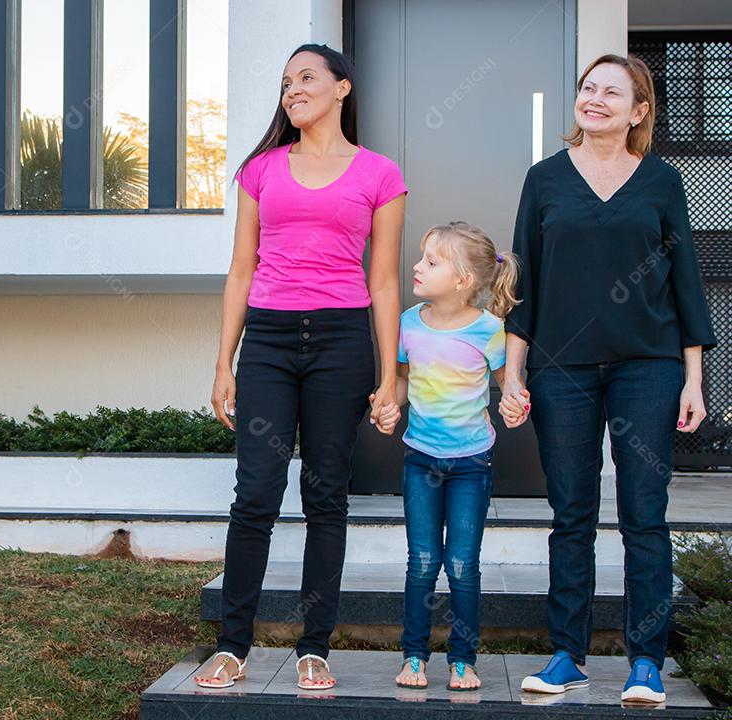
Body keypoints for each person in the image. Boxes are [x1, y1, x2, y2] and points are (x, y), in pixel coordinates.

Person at [498, 54, 717, 705]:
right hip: (560, 371)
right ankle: (567, 654)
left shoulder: (662, 181)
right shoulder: (544, 181)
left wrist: (693, 379)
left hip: (647, 366)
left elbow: (687, 286)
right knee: (571, 514)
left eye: (611, 92)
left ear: (639, 111)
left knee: (645, 515)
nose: (594, 99)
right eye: (588, 88)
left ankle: (645, 662)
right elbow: (523, 285)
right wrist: (512, 374)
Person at [198, 43, 406, 691]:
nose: (293, 89)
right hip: (267, 341)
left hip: (342, 344)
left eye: (307, 77)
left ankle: (315, 647)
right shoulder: (261, 170)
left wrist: (391, 375)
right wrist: (223, 361)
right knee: (255, 492)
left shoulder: (380, 174)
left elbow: (387, 283)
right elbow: (241, 269)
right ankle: (233, 645)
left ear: (343, 88)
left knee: (325, 496)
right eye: (286, 81)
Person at [375, 221, 519, 692]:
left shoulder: (490, 330)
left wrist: (515, 403)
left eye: (431, 261)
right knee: (421, 561)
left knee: (461, 564)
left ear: (462, 280)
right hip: (420, 460)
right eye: (421, 258)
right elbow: (398, 381)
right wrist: (388, 404)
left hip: (471, 466)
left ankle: (463, 661)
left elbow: (505, 387)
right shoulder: (409, 324)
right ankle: (414, 657)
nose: (417, 267)